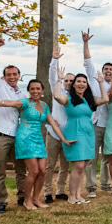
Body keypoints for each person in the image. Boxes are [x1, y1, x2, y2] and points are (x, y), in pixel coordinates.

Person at [0, 79, 71, 209]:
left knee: (43, 171)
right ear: (29, 90)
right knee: (33, 171)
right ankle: (27, 201)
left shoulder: (44, 105)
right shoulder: (25, 103)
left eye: (38, 89)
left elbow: (53, 124)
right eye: (32, 89)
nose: (35, 91)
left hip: (38, 139)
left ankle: (36, 199)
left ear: (42, 91)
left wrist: (63, 139)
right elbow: (11, 103)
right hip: (25, 138)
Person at [53, 65, 108, 204]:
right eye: (78, 81)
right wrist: (59, 80)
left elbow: (106, 99)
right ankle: (72, 197)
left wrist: (101, 82)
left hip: (88, 134)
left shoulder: (89, 100)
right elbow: (56, 96)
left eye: (84, 82)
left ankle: (78, 195)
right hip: (74, 133)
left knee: (83, 166)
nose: (81, 84)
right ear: (73, 84)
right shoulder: (68, 98)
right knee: (77, 166)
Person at [0, 37, 26, 213]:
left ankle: (22, 196)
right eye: (9, 74)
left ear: (19, 76)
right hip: (0, 136)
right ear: (4, 76)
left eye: (15, 74)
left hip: (17, 135)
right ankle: (1, 202)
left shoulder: (22, 93)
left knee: (21, 169)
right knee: (0, 171)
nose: (12, 77)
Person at [82, 30, 112, 198]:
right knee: (92, 156)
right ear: (101, 71)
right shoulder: (95, 80)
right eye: (106, 69)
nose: (108, 71)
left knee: (107, 157)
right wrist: (86, 43)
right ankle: (91, 186)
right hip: (95, 124)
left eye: (111, 69)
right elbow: (87, 62)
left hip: (110, 125)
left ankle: (106, 183)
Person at [44, 45, 72, 204]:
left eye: (70, 81)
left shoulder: (76, 96)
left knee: (65, 166)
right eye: (66, 80)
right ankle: (47, 192)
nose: (68, 82)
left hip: (68, 135)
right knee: (49, 165)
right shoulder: (58, 90)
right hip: (54, 133)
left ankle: (61, 190)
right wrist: (54, 60)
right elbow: (51, 77)